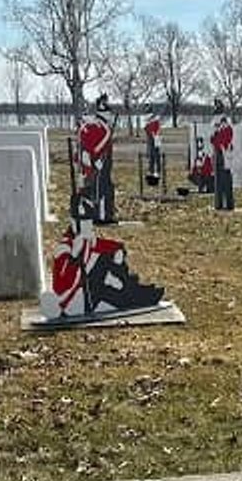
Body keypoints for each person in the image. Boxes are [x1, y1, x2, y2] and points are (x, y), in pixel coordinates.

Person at [44, 191, 163, 318]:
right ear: (74, 223)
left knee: (108, 284)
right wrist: (73, 257)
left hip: (88, 292)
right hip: (71, 301)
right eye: (85, 222)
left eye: (90, 222)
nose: (89, 227)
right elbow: (60, 287)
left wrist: (118, 249)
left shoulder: (85, 239)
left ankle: (134, 293)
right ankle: (133, 292)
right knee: (103, 263)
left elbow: (102, 245)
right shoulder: (64, 248)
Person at [77, 93, 116, 224]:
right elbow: (92, 148)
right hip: (98, 165)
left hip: (102, 164)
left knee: (106, 188)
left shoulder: (101, 127)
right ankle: (101, 216)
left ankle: (106, 214)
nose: (111, 116)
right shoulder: (98, 127)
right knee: (101, 190)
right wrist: (95, 162)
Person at [210, 99, 235, 211]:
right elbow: (214, 139)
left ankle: (227, 204)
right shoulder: (218, 123)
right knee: (219, 180)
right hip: (218, 152)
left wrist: (216, 139)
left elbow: (221, 139)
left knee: (225, 180)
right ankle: (219, 203)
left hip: (223, 153)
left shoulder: (225, 124)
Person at [143, 110, 163, 184]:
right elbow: (146, 130)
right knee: (151, 156)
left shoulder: (155, 121)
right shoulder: (148, 122)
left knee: (156, 155)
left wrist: (155, 135)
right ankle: (151, 170)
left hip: (155, 139)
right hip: (150, 139)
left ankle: (157, 171)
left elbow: (157, 130)